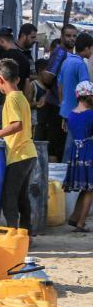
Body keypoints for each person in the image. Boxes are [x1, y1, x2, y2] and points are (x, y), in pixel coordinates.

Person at [0, 59, 36, 231]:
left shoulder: (11, 99)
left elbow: (16, 124)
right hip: (29, 154)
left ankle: (13, 232)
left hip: (18, 156)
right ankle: (26, 233)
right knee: (21, 197)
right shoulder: (22, 98)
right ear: (18, 79)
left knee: (9, 197)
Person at [0, 26, 33, 134]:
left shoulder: (3, 58)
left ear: (2, 41)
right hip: (17, 106)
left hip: (0, 106)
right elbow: (28, 86)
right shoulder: (25, 60)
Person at [41, 24, 78, 161]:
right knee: (56, 145)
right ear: (62, 37)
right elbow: (48, 77)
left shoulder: (70, 55)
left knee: (62, 145)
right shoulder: (60, 52)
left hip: (65, 106)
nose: (71, 38)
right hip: (57, 106)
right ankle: (53, 179)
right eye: (68, 35)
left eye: (74, 36)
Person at [58, 33, 93, 164]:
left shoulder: (67, 61)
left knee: (70, 146)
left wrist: (63, 109)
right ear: (87, 48)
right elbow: (85, 91)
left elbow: (60, 86)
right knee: (76, 147)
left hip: (67, 111)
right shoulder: (80, 65)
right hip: (79, 113)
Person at [63, 80, 93, 232]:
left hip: (76, 152)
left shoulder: (71, 115)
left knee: (85, 187)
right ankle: (81, 223)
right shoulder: (90, 115)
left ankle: (74, 218)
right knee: (90, 189)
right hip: (89, 152)